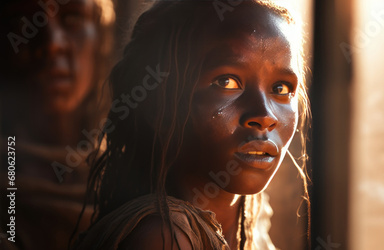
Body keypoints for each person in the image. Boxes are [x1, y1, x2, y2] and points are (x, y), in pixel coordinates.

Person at [74, 1, 310, 249]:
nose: (264, 115)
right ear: (158, 107)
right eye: (226, 82)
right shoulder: (163, 238)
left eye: (280, 88)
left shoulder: (254, 221)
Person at [0, 0, 114, 249]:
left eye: (72, 18)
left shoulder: (136, 178)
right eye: (23, 23)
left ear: (102, 38)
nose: (52, 44)